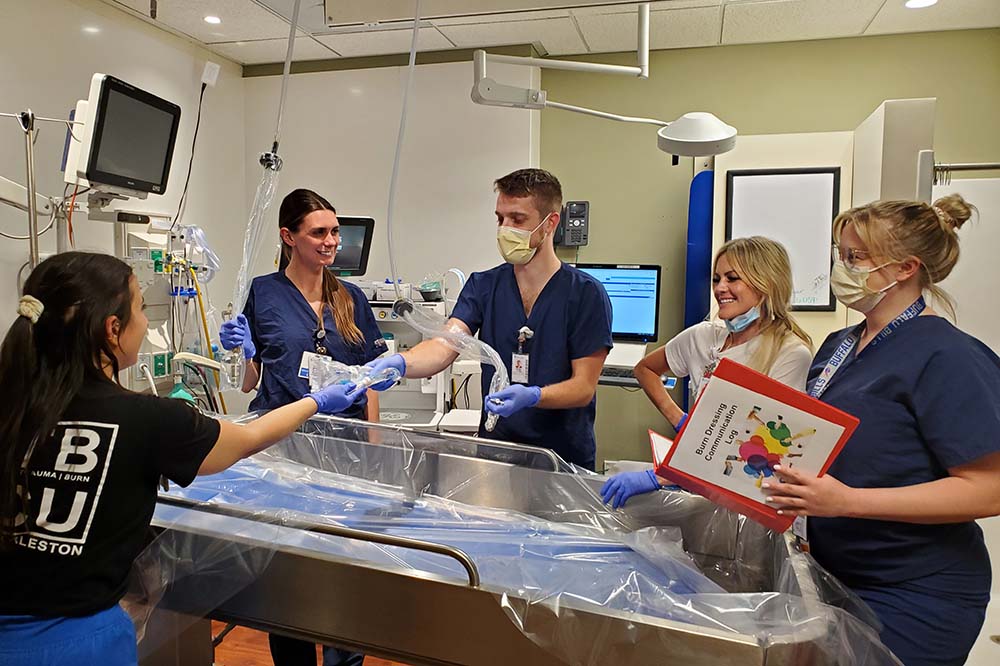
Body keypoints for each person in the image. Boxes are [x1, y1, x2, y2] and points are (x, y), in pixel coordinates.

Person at [0, 252, 362, 666]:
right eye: (140, 308)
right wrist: (317, 401)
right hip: (79, 645)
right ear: (113, 329)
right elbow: (249, 437)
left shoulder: (12, 406)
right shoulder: (145, 418)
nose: (146, 324)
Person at [763, 195, 1000, 666]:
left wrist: (848, 502)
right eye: (840, 254)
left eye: (855, 258)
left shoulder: (949, 356)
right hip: (837, 573)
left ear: (904, 268)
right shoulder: (839, 346)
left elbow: (989, 490)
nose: (841, 267)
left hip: (917, 589)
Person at [219, 188, 386, 666]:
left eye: (335, 232)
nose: (330, 241)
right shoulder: (264, 293)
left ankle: (343, 659)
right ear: (288, 237)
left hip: (346, 456)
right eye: (319, 232)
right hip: (284, 452)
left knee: (343, 571)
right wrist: (245, 350)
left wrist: (375, 449)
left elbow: (370, 379)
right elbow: (252, 379)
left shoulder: (350, 297)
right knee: (287, 575)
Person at [366, 168, 613, 470]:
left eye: (518, 219)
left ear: (550, 223)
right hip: (499, 453)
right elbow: (445, 345)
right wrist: (402, 363)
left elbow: (583, 387)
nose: (504, 229)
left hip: (563, 460)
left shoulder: (585, 294)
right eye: (500, 218)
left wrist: (534, 396)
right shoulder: (484, 285)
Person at [601, 236, 813, 508]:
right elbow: (645, 370)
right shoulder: (703, 337)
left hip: (748, 498)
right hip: (698, 485)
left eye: (732, 278)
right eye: (716, 279)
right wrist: (680, 420)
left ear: (766, 284)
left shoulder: (789, 353)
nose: (720, 288)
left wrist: (663, 477)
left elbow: (764, 452)